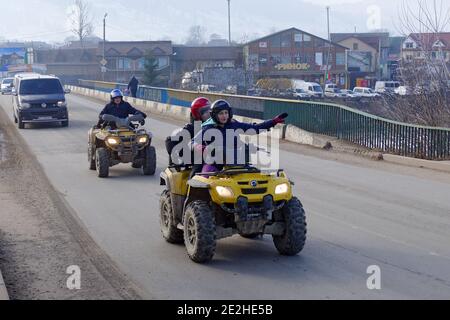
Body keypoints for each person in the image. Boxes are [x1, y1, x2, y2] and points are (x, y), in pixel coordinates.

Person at [192, 100, 287, 174]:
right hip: (215, 165)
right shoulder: (208, 128)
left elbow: (255, 128)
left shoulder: (234, 124)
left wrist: (273, 121)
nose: (224, 116)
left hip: (237, 164)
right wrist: (199, 147)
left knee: (256, 178)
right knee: (201, 180)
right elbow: (192, 142)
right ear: (214, 115)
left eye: (226, 112)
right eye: (221, 113)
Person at [165, 97, 211, 177]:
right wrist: (176, 158)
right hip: (196, 159)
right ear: (197, 113)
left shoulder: (216, 126)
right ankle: (191, 184)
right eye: (205, 111)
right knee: (200, 163)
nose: (209, 113)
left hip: (215, 157)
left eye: (209, 110)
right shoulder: (191, 128)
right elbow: (169, 141)